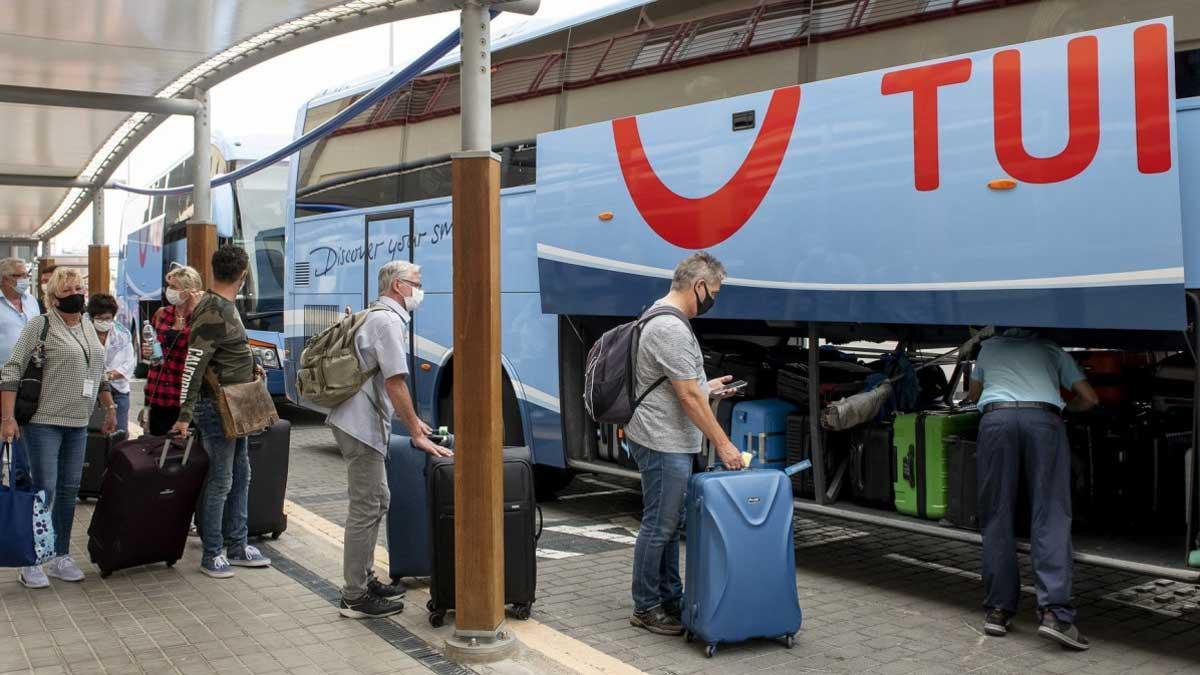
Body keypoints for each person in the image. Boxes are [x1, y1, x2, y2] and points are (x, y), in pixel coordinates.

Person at [624, 252, 744, 636]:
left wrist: (706, 388)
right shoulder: (670, 328)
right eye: (715, 291)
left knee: (668, 523)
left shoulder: (664, 317)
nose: (714, 299)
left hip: (668, 436)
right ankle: (646, 606)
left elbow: (685, 389)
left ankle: (670, 597)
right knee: (659, 526)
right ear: (699, 286)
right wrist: (723, 444)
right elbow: (688, 399)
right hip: (663, 441)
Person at [326, 260, 452, 619]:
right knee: (366, 506)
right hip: (359, 425)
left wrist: (414, 424)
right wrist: (415, 430)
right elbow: (396, 381)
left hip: (358, 421)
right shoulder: (386, 321)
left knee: (378, 500)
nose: (420, 289)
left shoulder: (376, 316)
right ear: (398, 286)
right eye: (417, 281)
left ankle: (364, 579)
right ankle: (354, 596)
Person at [967, 328, 1099, 651]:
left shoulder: (988, 348)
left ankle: (998, 611)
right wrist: (1065, 411)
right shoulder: (1051, 348)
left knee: (997, 514)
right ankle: (1055, 614)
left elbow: (973, 396)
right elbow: (1090, 398)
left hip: (996, 421)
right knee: (1050, 514)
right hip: (1043, 420)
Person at [1, 267, 117, 588]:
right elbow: (11, 370)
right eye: (68, 291)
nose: (76, 296)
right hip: (43, 423)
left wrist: (108, 407)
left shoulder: (89, 327)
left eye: (79, 288)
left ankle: (60, 555)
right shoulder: (40, 325)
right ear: (53, 298)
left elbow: (99, 370)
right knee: (44, 490)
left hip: (78, 423)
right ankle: (32, 560)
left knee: (68, 491)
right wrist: (7, 418)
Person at [171, 246, 271, 578]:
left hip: (237, 404)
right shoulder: (213, 309)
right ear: (243, 276)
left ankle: (238, 545)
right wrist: (185, 415)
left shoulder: (224, 307)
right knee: (221, 480)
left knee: (241, 475)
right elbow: (194, 365)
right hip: (217, 407)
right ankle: (212, 552)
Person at [143, 265, 203, 436]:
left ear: (190, 291)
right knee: (156, 448)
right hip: (159, 392)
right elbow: (153, 345)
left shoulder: (200, 317)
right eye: (169, 286)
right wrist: (148, 351)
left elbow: (195, 345)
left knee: (185, 452)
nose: (170, 291)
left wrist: (194, 310)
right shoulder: (162, 314)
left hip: (184, 395)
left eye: (174, 287)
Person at [0, 258, 39, 488]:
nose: (25, 279)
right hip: (3, 379)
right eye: (19, 275)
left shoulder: (31, 301)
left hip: (29, 384)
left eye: (26, 274)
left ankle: (22, 495)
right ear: (5, 279)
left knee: (24, 448)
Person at [88, 294, 136, 434]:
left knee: (119, 433)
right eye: (99, 318)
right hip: (91, 390)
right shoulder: (83, 331)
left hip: (118, 390)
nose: (103, 322)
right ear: (92, 317)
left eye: (107, 318)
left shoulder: (122, 334)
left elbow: (129, 363)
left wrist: (109, 376)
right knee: (92, 436)